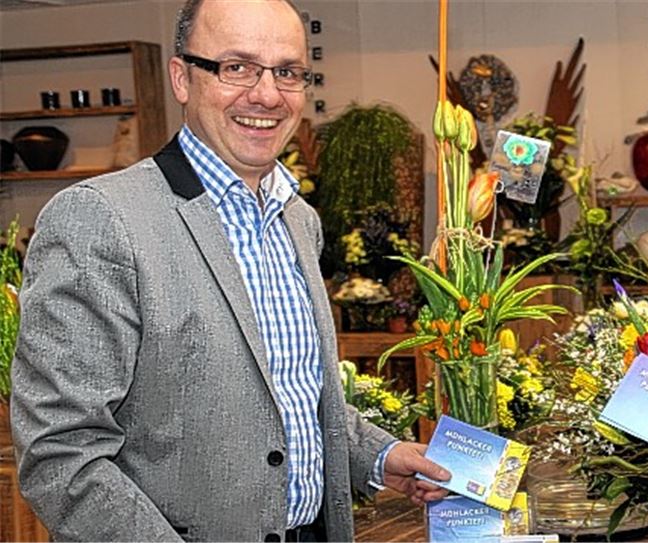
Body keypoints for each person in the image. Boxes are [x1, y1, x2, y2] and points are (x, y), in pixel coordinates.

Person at [10, 0, 449, 540]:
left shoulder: (297, 219)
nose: (266, 95)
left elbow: (289, 398)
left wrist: (380, 456)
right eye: (236, 67)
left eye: (286, 72)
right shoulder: (100, 221)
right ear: (182, 78)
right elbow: (61, 454)